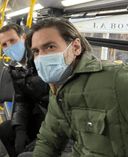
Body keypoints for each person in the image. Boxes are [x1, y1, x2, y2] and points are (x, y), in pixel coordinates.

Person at [23, 17, 128, 156]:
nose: (41, 57)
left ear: (76, 47)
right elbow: (49, 139)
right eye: (36, 51)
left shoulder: (118, 80)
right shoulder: (57, 88)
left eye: (50, 47)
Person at [0, 23, 50, 157]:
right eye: (4, 44)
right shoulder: (16, 69)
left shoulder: (42, 61)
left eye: (13, 40)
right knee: (6, 129)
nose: (9, 46)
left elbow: (60, 107)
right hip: (39, 117)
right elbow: (21, 101)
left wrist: (45, 136)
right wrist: (20, 129)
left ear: (24, 38)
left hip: (55, 125)